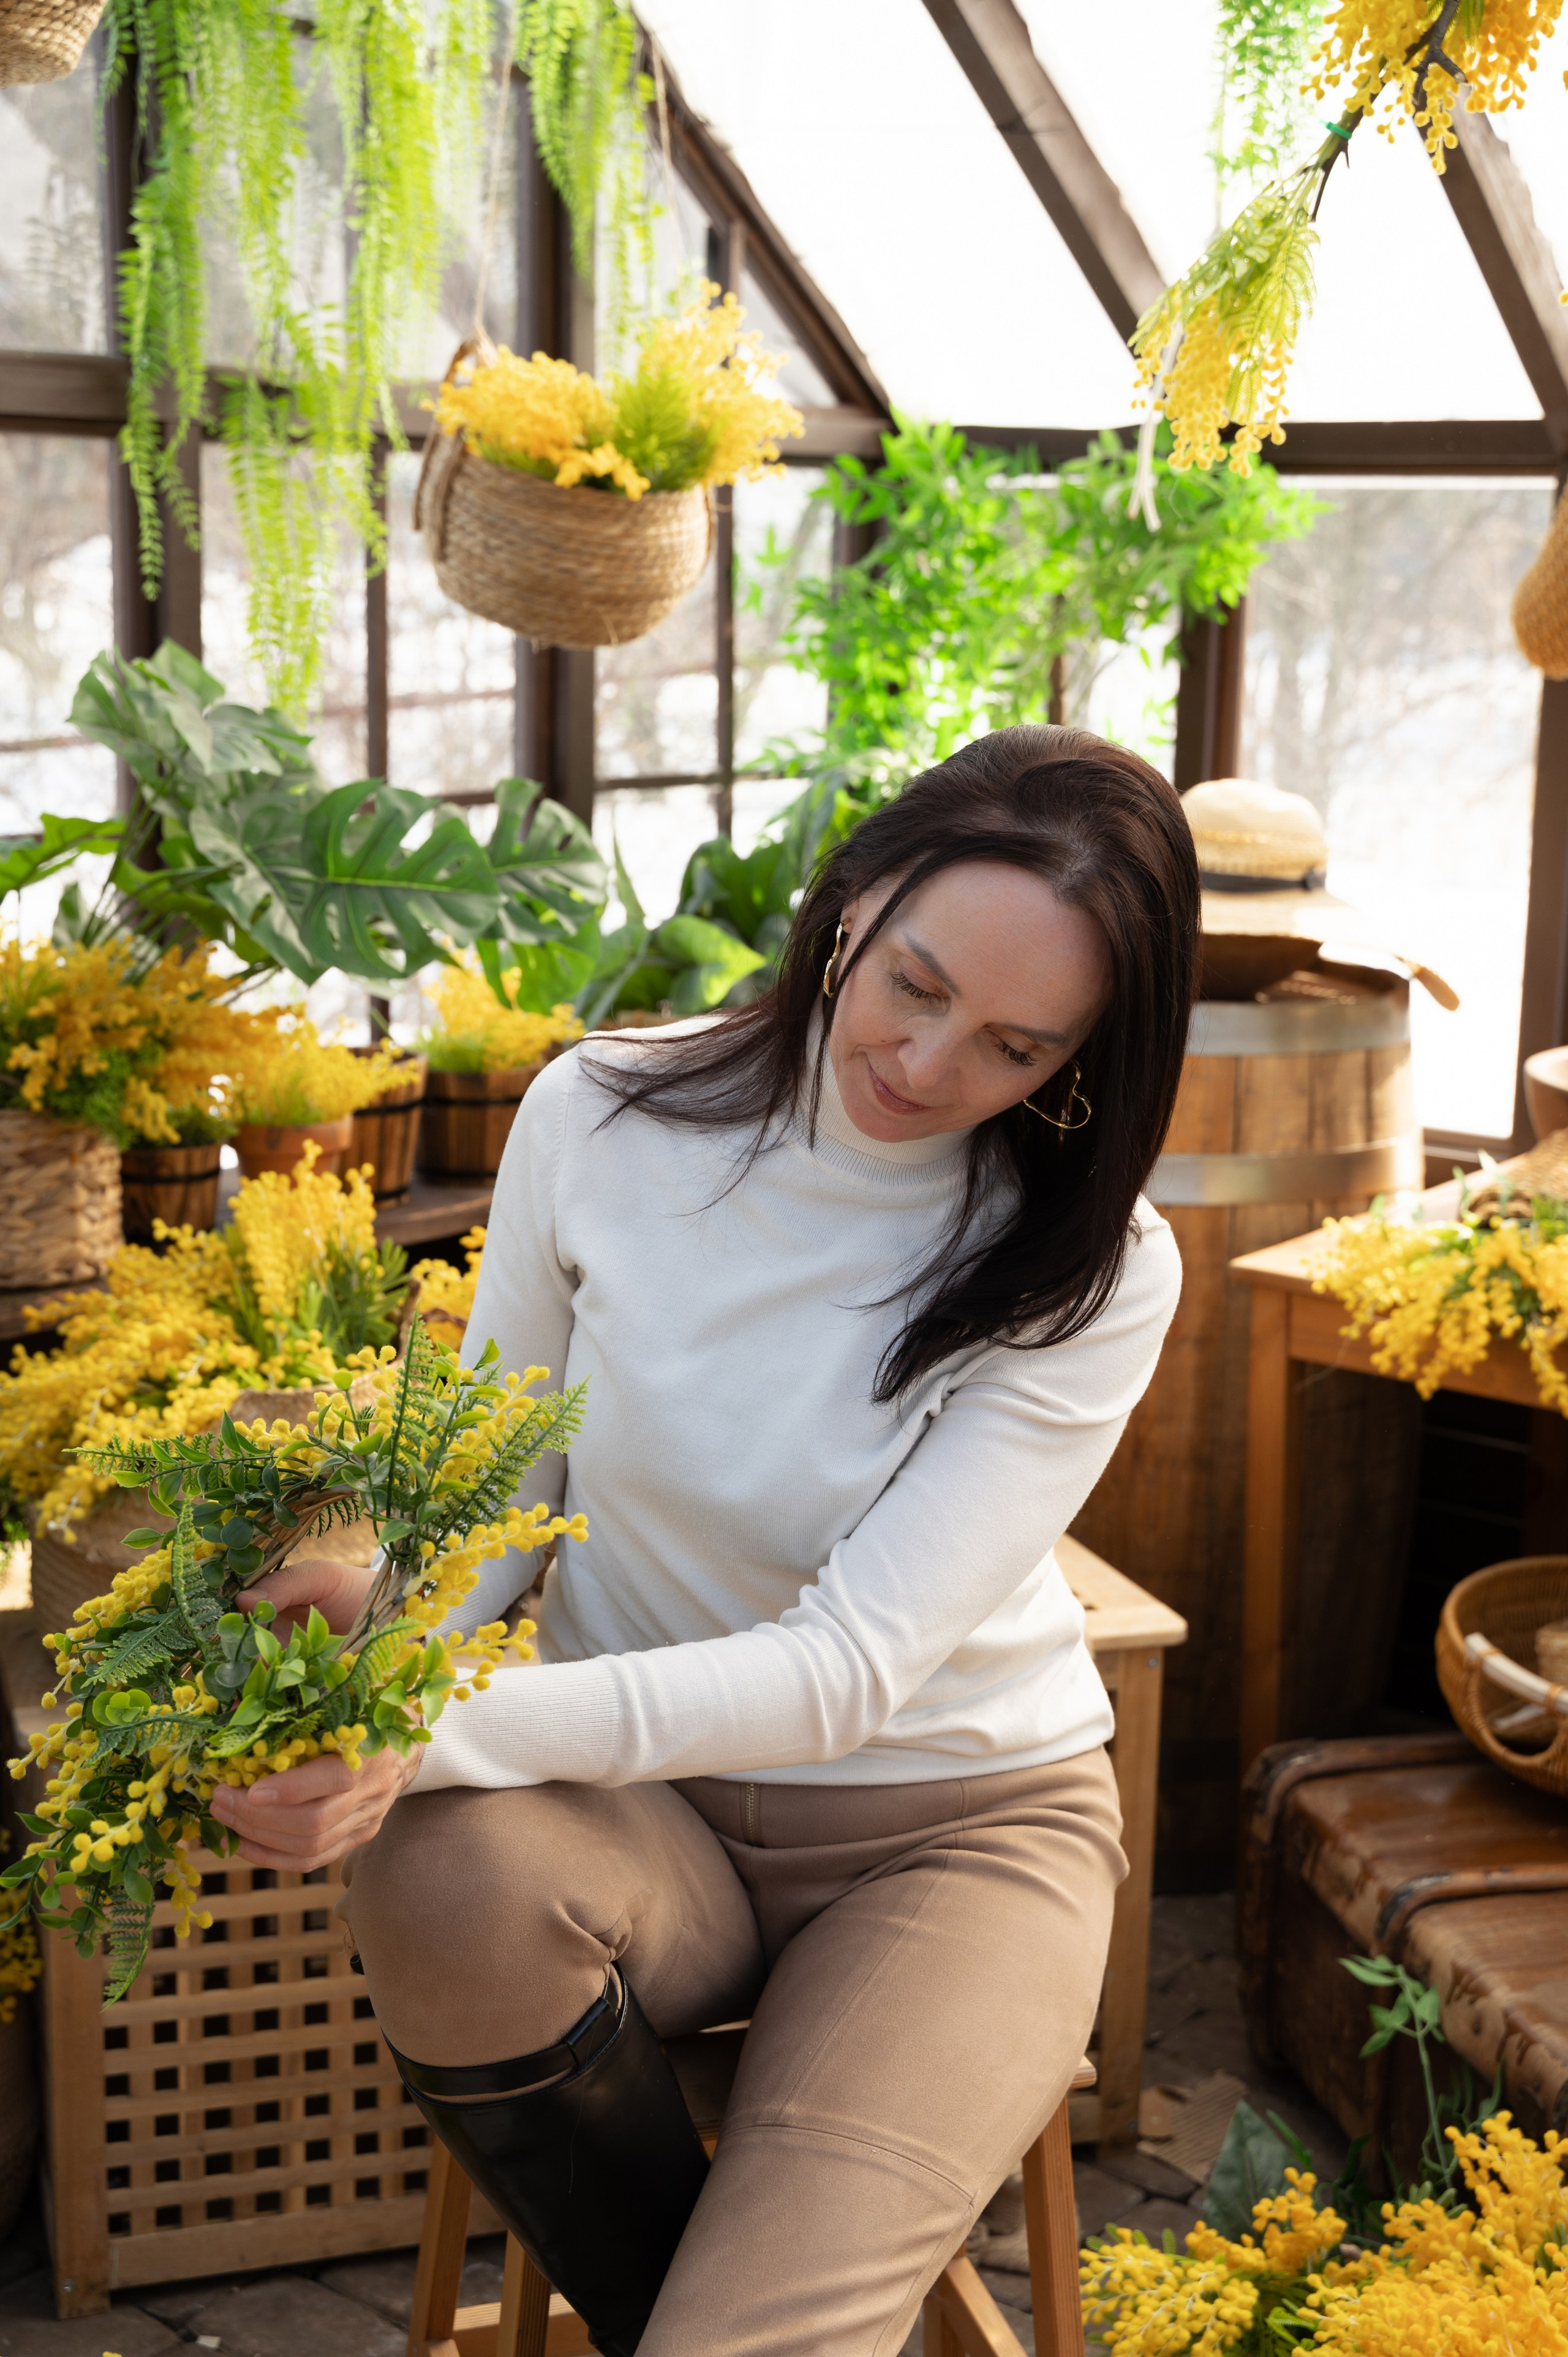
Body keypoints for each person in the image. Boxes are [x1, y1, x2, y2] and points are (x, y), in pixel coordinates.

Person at [210, 724, 1198, 2357]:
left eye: (1017, 1047)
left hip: (949, 1835)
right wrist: (375, 1612)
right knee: (440, 1861)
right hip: (643, 1816)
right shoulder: (602, 1114)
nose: (929, 1064)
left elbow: (846, 1674)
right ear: (858, 901)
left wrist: (427, 1719)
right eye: (916, 984)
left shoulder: (1092, 1265)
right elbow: (497, 1482)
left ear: (1080, 1061)